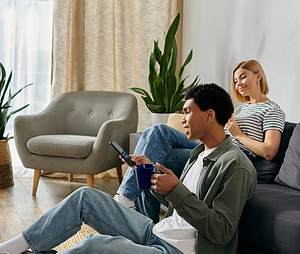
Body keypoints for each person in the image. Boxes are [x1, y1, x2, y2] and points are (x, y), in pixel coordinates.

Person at [0, 83, 257, 254]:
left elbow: (222, 230)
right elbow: (181, 209)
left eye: (188, 111)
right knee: (85, 197)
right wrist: (154, 181)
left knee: (95, 247)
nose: (184, 119)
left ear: (210, 115)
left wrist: (175, 190)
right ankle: (1, 253)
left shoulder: (236, 165)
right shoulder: (198, 154)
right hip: (158, 234)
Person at [115, 60, 285, 222]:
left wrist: (239, 135)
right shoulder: (241, 109)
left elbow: (269, 151)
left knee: (153, 162)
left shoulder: (272, 110)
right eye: (235, 80)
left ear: (258, 76)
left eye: (243, 76)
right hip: (208, 147)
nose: (238, 83)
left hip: (226, 153)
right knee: (158, 131)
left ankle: (135, 210)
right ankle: (130, 203)